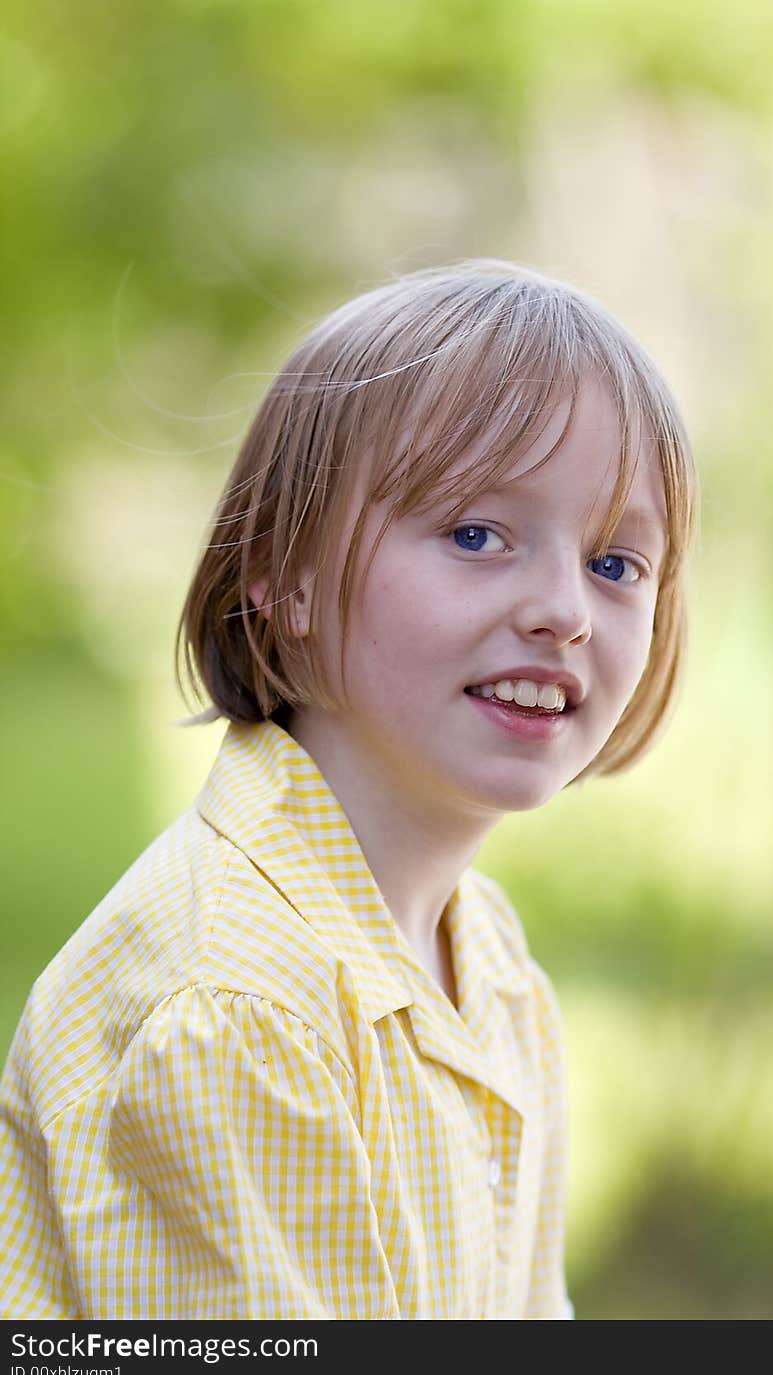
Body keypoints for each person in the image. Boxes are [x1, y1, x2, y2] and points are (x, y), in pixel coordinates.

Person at [0, 259, 698, 1320]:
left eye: (615, 563)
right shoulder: (233, 1006)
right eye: (476, 534)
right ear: (285, 576)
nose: (563, 608)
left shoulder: (493, 967)